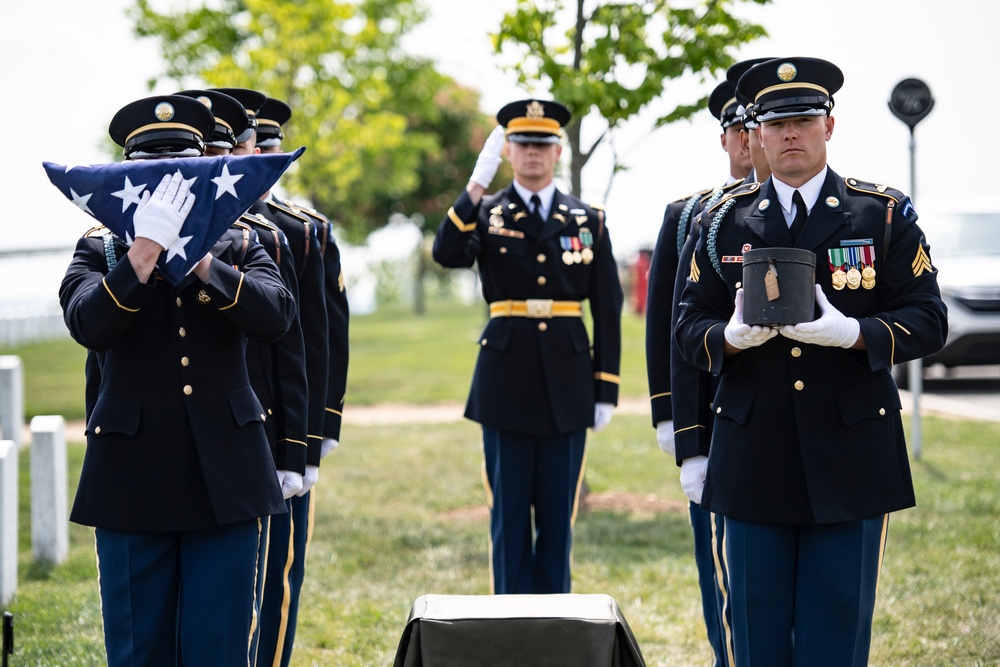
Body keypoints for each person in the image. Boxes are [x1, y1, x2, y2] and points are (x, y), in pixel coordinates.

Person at [675, 57, 948, 666]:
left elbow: (929, 319)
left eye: (802, 119)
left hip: (848, 457)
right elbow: (687, 325)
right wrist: (732, 337)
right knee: (756, 640)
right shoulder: (721, 222)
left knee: (836, 640)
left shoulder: (881, 215)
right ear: (755, 135)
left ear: (830, 126)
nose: (789, 134)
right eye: (775, 123)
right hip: (753, 460)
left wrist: (852, 332)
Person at [59, 94, 295, 666]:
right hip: (132, 479)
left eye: (180, 163)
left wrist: (199, 260)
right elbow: (88, 324)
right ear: (125, 175)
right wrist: (142, 256)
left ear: (203, 169)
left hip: (227, 475)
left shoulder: (242, 240)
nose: (166, 176)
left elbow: (276, 317)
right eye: (148, 166)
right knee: (139, 650)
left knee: (217, 649)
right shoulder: (101, 246)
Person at [432, 98, 624, 595]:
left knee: (558, 522)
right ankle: (508, 629)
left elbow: (607, 308)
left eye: (542, 144)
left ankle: (554, 628)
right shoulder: (487, 212)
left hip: (568, 382)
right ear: (508, 151)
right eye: (522, 144)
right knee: (509, 518)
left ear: (558, 151)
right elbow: (447, 253)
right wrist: (475, 185)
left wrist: (605, 388)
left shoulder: (588, 220)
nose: (533, 153)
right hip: (505, 382)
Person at [644, 76, 751, 667]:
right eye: (738, 129)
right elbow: (666, 321)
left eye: (753, 126)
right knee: (721, 569)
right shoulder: (689, 216)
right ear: (725, 139)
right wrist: (674, 422)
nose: (747, 140)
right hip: (711, 414)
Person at [251, 94, 350, 667]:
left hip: (288, 424)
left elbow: (323, 338)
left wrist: (317, 431)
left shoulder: (303, 230)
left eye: (270, 149)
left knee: (281, 573)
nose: (261, 159)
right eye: (249, 149)